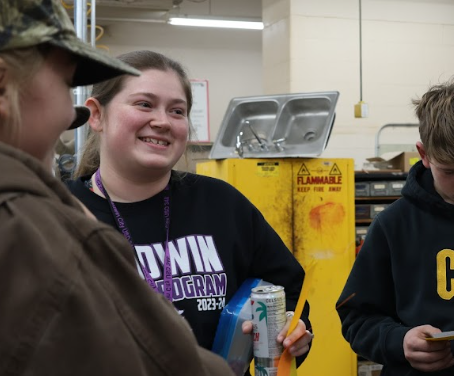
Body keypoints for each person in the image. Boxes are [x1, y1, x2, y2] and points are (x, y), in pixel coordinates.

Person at [0, 1, 235, 375]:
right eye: (65, 83)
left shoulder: (222, 202)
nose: (68, 115)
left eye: (177, 111)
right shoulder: (33, 226)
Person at [67, 49, 313, 375]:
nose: (162, 121)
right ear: (97, 115)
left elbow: (289, 291)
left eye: (177, 111)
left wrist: (295, 331)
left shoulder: (222, 204)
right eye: (144, 104)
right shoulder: (61, 211)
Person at [336, 77, 454, 375]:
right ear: (424, 155)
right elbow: (357, 319)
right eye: (449, 170)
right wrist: (400, 341)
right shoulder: (392, 225)